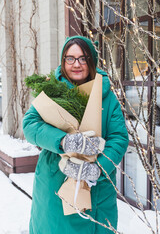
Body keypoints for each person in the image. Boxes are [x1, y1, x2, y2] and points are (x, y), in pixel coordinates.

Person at [23, 35, 129, 234]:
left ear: (92, 61)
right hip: (55, 182)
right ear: (63, 62)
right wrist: (64, 140)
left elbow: (119, 138)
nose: (76, 64)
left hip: (96, 189)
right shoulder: (52, 90)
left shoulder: (106, 95)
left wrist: (98, 170)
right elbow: (30, 124)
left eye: (83, 58)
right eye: (70, 58)